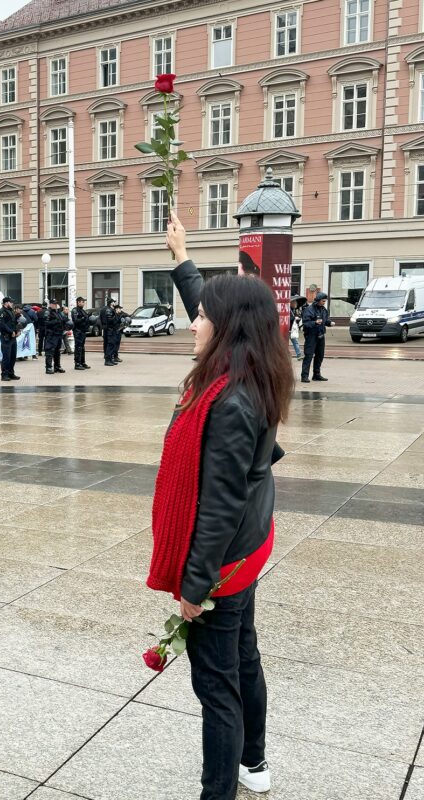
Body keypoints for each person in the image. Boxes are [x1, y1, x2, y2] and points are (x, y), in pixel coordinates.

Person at [151, 210, 292, 800]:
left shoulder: (228, 401)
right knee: (244, 656)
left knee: (217, 686)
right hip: (248, 549)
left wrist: (193, 586)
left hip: (223, 562)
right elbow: (206, 308)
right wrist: (183, 260)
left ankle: (220, 790)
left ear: (227, 327)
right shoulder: (244, 368)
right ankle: (254, 763)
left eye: (203, 316)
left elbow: (219, 505)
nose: (193, 323)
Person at [301, 292, 332, 383]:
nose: (324, 302)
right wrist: (315, 322)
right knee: (309, 355)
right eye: (323, 301)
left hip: (321, 335)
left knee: (320, 356)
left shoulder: (323, 310)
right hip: (311, 336)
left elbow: (325, 321)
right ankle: (304, 376)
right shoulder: (309, 310)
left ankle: (316, 375)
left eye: (325, 301)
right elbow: (305, 323)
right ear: (318, 300)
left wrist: (329, 323)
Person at [0, 296, 20, 381]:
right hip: (6, 337)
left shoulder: (11, 311)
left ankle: (11, 373)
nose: (12, 303)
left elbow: (14, 323)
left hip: (13, 337)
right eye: (11, 302)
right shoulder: (1, 312)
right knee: (6, 356)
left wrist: (17, 330)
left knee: (13, 356)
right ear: (6, 303)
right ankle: (4, 374)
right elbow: (2, 325)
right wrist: (11, 332)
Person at [43, 299, 67, 375]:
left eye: (56, 304)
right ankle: (48, 367)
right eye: (53, 304)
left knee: (57, 351)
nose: (55, 305)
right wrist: (55, 322)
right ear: (50, 304)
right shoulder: (48, 312)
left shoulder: (57, 312)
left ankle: (57, 366)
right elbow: (46, 323)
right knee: (49, 351)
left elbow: (61, 321)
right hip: (51, 335)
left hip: (58, 334)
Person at [71, 296, 92, 370]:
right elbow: (76, 320)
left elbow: (86, 320)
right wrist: (83, 318)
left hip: (83, 331)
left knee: (82, 348)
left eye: (84, 302)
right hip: (78, 331)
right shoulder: (75, 310)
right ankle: (77, 363)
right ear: (78, 302)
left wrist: (88, 317)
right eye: (82, 302)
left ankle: (82, 362)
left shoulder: (83, 310)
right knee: (78, 347)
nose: (83, 303)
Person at [100, 297, 117, 366]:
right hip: (110, 329)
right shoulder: (109, 310)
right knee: (110, 344)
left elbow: (100, 318)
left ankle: (109, 359)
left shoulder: (103, 309)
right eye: (113, 302)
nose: (114, 303)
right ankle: (108, 360)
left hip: (106, 328)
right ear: (111, 303)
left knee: (107, 344)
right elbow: (110, 320)